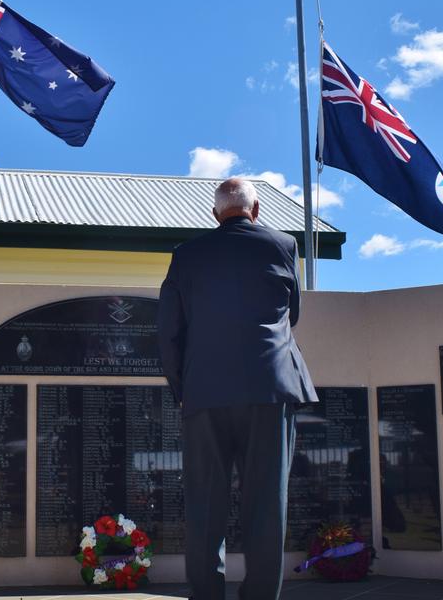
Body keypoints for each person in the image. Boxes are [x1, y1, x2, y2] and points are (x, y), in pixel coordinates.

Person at [157, 178, 315, 600]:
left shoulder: (186, 255)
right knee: (266, 505)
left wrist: (183, 389)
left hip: (205, 392)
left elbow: (168, 332)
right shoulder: (283, 246)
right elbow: (292, 313)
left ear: (215, 214)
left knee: (204, 507)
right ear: (257, 209)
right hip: (269, 388)